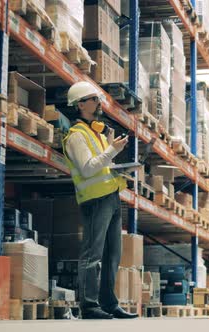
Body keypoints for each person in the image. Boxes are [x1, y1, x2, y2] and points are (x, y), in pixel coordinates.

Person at [62, 81, 137, 319]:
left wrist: (121, 169)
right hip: (95, 200)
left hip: (111, 196)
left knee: (112, 254)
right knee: (92, 254)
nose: (99, 103)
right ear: (81, 104)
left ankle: (109, 303)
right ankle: (89, 305)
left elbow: (104, 166)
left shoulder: (97, 133)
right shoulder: (76, 136)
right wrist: (112, 150)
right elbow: (87, 169)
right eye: (94, 99)